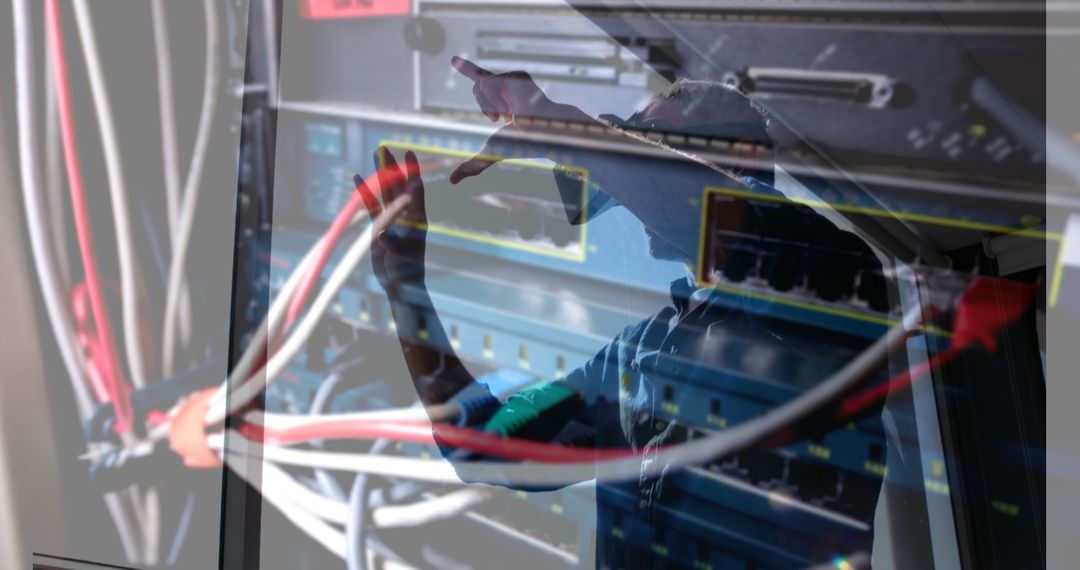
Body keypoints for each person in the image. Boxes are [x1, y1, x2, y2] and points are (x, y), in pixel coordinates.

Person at [357, 57, 888, 569]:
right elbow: (486, 445)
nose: (633, 152)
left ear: (742, 151)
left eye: (652, 136)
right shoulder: (633, 354)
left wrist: (560, 126)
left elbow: (733, 222)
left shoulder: (835, 269)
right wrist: (406, 289)